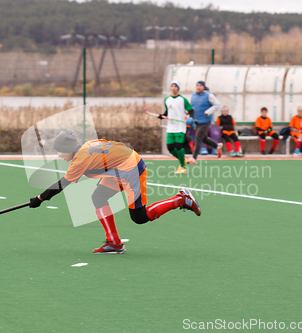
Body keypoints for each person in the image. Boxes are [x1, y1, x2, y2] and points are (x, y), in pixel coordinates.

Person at [28, 130, 201, 253]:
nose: (59, 155)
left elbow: (62, 184)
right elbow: (121, 145)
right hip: (119, 167)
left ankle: (180, 199)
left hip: (131, 168)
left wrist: (40, 199)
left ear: (68, 149)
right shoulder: (85, 146)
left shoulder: (79, 159)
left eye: (60, 151)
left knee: (139, 217)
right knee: (99, 197)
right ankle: (114, 243)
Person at [161, 80, 193, 174]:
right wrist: (161, 116)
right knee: (170, 147)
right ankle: (182, 159)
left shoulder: (183, 99)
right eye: (172, 86)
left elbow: (191, 110)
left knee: (179, 147)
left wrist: (190, 118)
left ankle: (183, 167)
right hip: (170, 127)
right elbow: (167, 112)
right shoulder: (167, 99)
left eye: (175, 86)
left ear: (178, 88)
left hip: (180, 127)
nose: (173, 88)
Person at [188, 81, 222, 162]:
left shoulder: (208, 95)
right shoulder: (193, 95)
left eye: (200, 85)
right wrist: (188, 113)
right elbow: (192, 107)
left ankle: (194, 157)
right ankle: (217, 146)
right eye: (197, 85)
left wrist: (208, 112)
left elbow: (217, 104)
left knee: (198, 137)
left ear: (203, 87)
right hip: (196, 120)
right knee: (203, 138)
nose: (198, 87)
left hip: (205, 121)